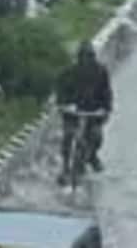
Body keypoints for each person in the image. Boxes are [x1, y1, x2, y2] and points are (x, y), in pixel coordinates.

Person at [56, 42, 114, 185]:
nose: (87, 61)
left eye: (90, 57)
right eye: (84, 58)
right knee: (69, 134)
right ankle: (65, 166)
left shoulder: (101, 72)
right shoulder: (68, 73)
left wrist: (105, 109)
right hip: (72, 114)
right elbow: (61, 93)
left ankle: (92, 156)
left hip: (94, 114)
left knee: (96, 136)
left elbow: (107, 94)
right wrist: (65, 106)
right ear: (79, 58)